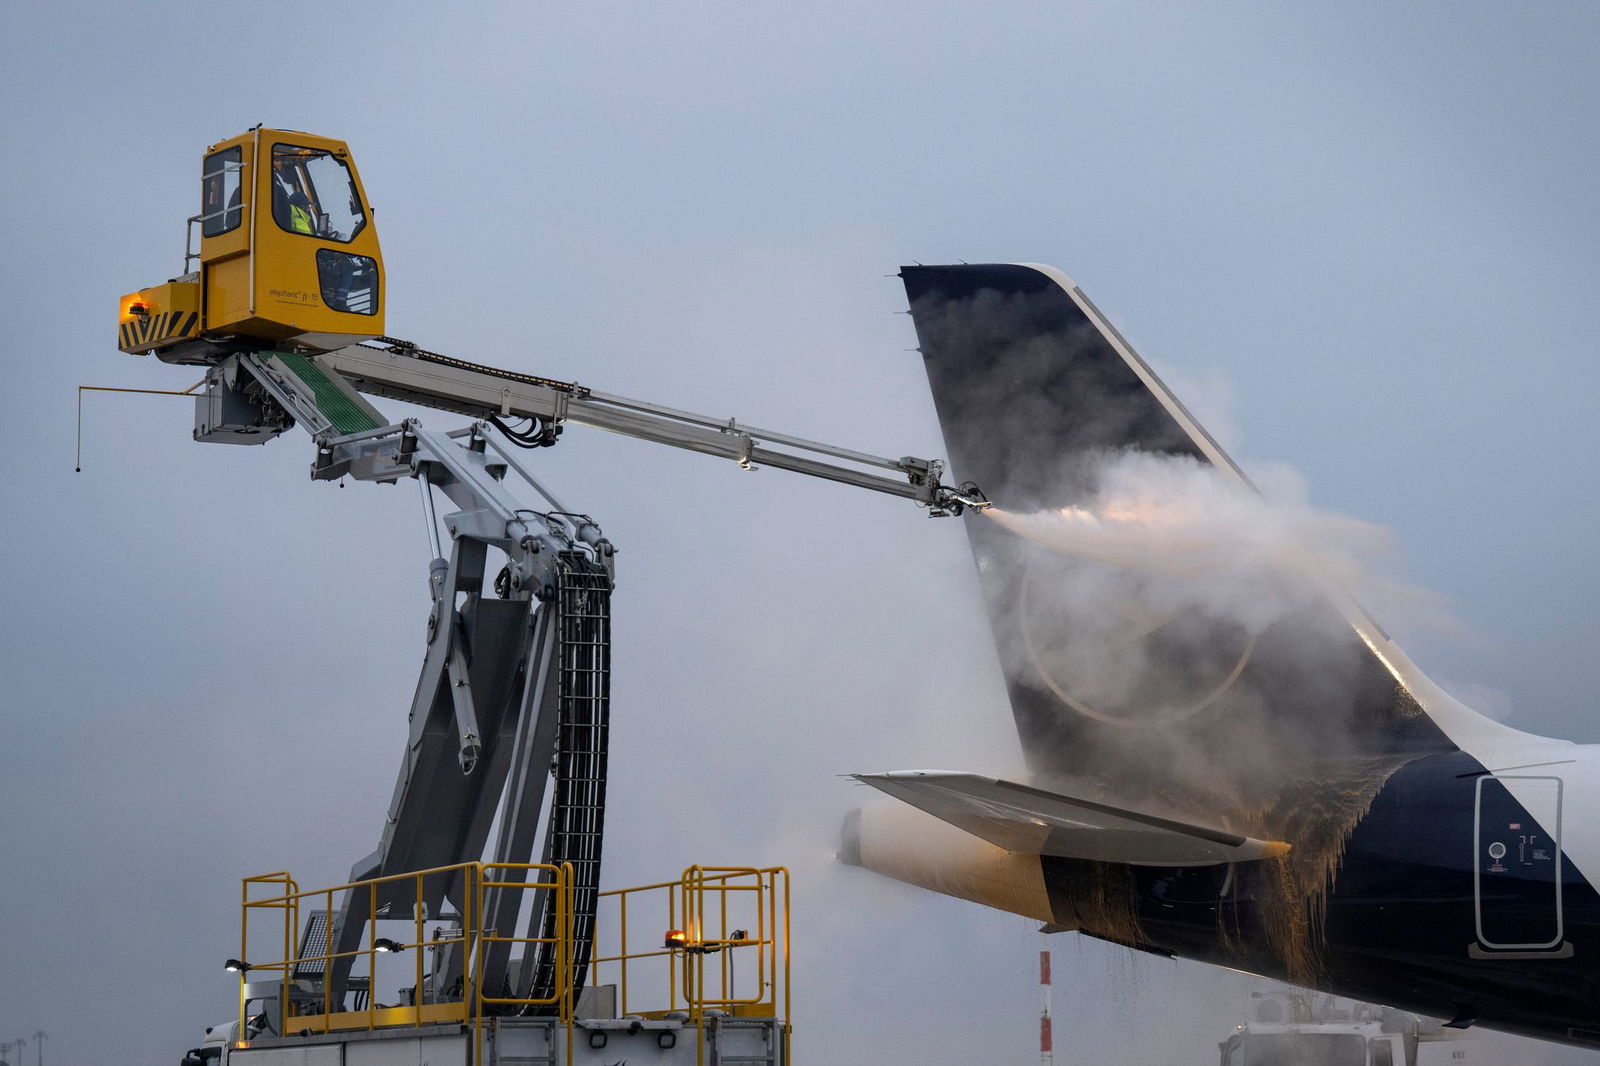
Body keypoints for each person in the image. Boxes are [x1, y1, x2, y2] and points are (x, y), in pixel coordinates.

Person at [272, 163, 316, 235]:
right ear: (302, 206)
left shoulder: (287, 211)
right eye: (308, 206)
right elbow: (306, 240)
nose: (309, 209)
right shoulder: (298, 218)